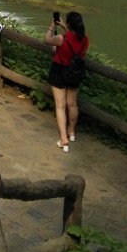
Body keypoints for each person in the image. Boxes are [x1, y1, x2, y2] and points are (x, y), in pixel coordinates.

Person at [44, 10, 89, 153]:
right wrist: (65, 26)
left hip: (59, 71)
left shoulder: (60, 38)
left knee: (60, 106)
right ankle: (72, 132)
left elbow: (46, 40)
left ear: (69, 24)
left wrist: (52, 26)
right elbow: (73, 38)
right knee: (72, 104)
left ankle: (64, 139)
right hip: (74, 72)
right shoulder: (85, 39)